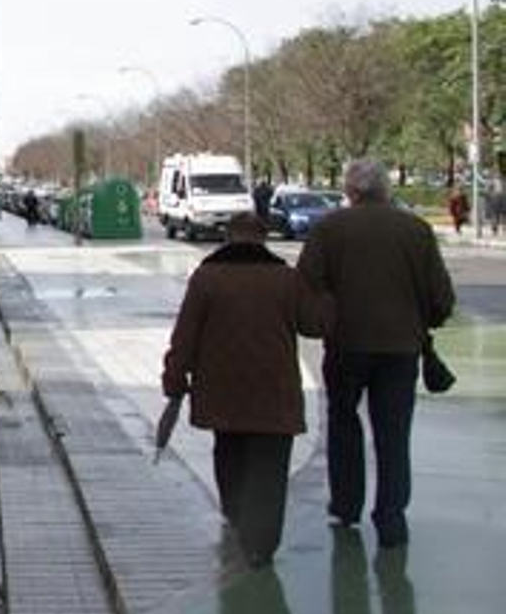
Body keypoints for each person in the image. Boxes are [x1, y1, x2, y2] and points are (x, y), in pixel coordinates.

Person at [298, 159, 455, 549]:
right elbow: (440, 297)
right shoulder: (416, 230)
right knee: (393, 434)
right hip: (401, 348)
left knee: (343, 423)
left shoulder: (329, 229)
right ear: (387, 189)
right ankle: (391, 518)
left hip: (346, 344)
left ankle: (346, 505)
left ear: (350, 191)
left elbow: (305, 286)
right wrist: (424, 322)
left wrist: (322, 322)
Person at [162, 212, 328, 568]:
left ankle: (237, 517)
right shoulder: (286, 278)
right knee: (270, 467)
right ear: (263, 238)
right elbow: (314, 325)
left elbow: (185, 335)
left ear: (228, 238)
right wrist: (327, 291)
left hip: (222, 389)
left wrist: (174, 379)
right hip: (275, 389)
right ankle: (263, 543)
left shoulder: (207, 278)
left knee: (230, 454)